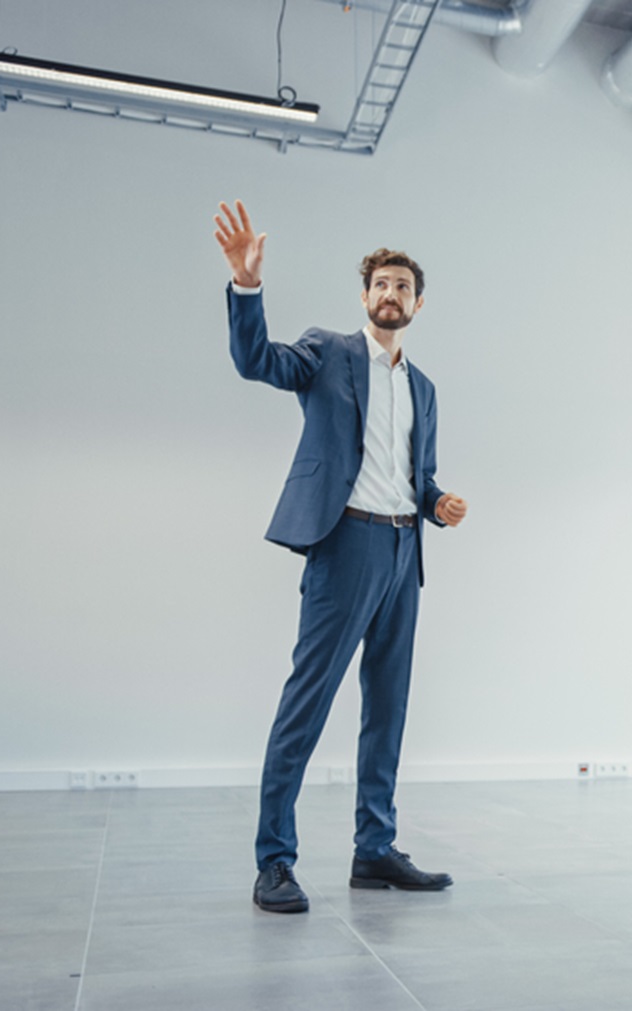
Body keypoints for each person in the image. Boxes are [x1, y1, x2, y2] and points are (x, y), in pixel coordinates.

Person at [213, 200, 469, 914]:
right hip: (345, 543)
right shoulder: (327, 352)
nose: (391, 294)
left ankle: (374, 849)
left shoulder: (424, 388)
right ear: (365, 296)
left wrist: (437, 502)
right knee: (308, 701)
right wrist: (246, 287)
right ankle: (274, 860)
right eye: (381, 284)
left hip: (402, 551)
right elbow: (255, 362)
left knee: (387, 706)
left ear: (419, 304)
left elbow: (417, 477)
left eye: (403, 287)